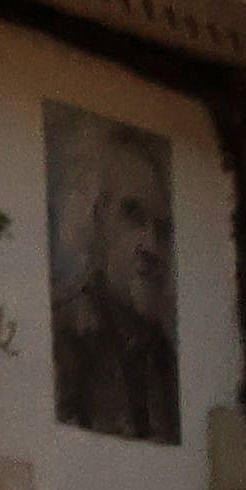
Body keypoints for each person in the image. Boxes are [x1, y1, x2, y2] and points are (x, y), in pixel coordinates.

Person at [49, 114, 183, 444]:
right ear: (96, 221)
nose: (152, 246)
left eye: (163, 229)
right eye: (133, 215)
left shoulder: (163, 356)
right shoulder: (67, 333)